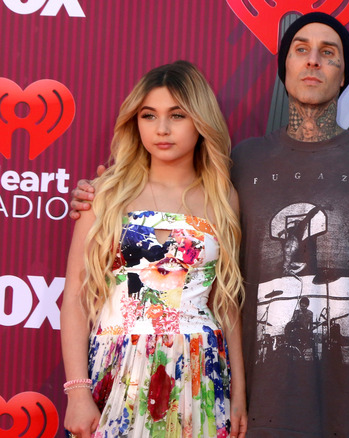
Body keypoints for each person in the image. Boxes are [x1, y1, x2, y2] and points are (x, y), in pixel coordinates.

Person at [73, 13, 349, 437]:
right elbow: (172, 198)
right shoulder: (236, 166)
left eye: (329, 54)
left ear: (345, 76)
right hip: (239, 396)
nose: (312, 62)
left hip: (343, 400)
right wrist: (99, 194)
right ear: (284, 68)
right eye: (300, 50)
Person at [60, 61, 247, 438]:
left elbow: (226, 304)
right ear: (136, 122)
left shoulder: (222, 196)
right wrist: (77, 392)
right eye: (149, 115)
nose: (161, 129)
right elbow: (76, 299)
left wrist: (240, 393)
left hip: (199, 372)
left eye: (177, 115)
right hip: (117, 368)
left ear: (200, 120)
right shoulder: (106, 194)